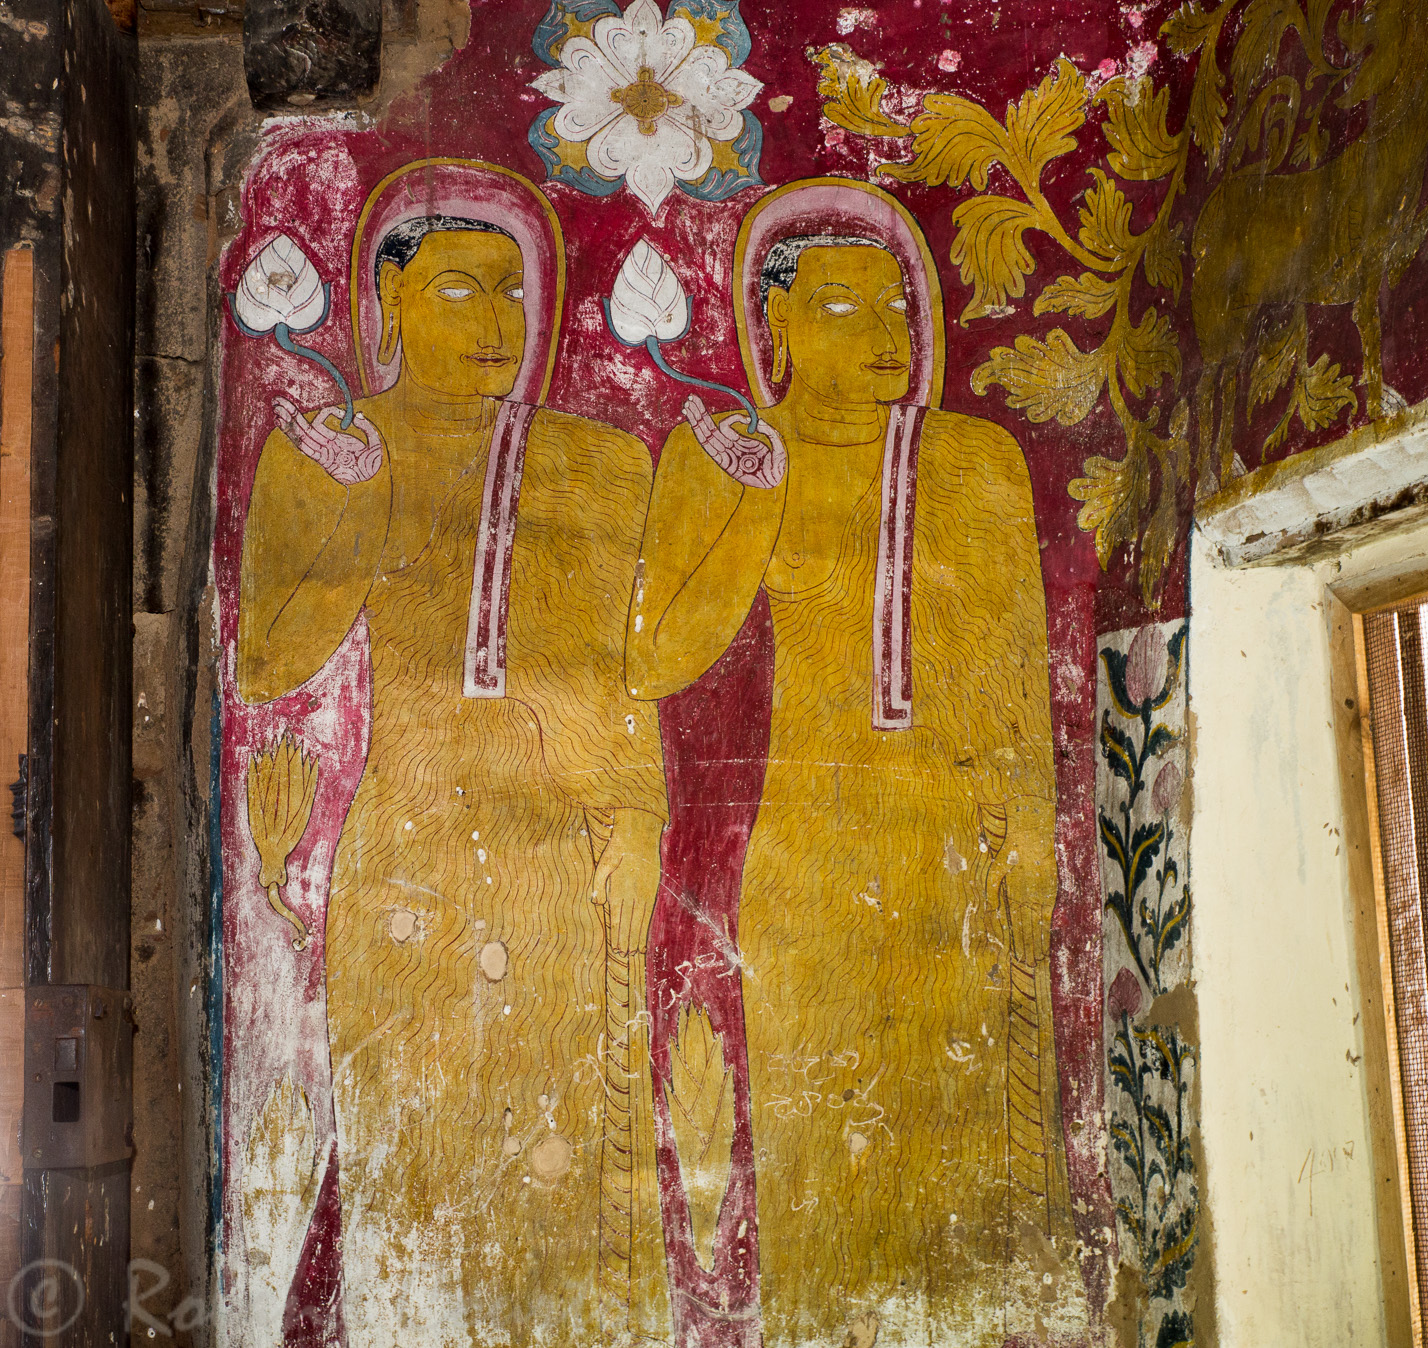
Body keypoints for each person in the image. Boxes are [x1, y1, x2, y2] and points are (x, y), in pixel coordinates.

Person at [627, 180, 1079, 1345]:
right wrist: (744, 505)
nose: (883, 335)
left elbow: (1020, 688)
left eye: (895, 308)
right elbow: (656, 659)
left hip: (959, 869)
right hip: (811, 862)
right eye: (838, 308)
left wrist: (1028, 877)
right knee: (824, 1156)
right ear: (770, 326)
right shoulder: (729, 451)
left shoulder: (975, 461)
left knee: (972, 1153)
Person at [236, 161, 667, 1346]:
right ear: (386, 316)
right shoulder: (340, 444)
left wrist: (634, 831)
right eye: (456, 291)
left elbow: (625, 690)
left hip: (560, 863)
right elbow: (269, 659)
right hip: (406, 854)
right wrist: (336, 504)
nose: (493, 321)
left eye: (509, 292)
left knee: (561, 1175)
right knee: (410, 1168)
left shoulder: (598, 460)